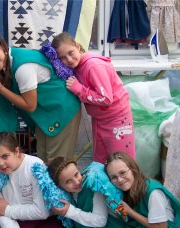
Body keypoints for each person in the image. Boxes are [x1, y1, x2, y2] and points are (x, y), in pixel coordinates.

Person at [0, 33, 81, 163]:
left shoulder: (23, 68)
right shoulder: (10, 61)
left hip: (62, 111)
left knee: (57, 164)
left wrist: (0, 88)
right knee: (42, 162)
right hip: (47, 115)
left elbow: (30, 105)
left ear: (1, 46)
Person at [52, 32, 135, 164]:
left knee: (122, 163)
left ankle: (131, 185)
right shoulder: (77, 67)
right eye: (62, 58)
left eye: (71, 52)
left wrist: (79, 89)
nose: (69, 59)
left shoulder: (93, 66)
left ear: (78, 47)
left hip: (117, 119)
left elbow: (106, 99)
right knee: (100, 162)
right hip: (100, 119)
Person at [0, 132, 67, 228]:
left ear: (17, 151)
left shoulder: (34, 166)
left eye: (5, 156)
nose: (1, 164)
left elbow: (42, 212)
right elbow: (0, 211)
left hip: (47, 222)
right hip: (19, 223)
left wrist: (8, 210)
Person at [105, 152, 180, 228]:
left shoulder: (153, 193)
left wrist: (130, 212)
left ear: (133, 169)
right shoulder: (125, 190)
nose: (119, 179)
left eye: (123, 172)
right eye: (114, 177)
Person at [48, 157, 131, 228]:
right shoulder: (65, 196)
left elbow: (101, 221)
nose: (76, 182)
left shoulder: (92, 185)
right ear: (59, 186)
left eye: (76, 174)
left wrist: (70, 211)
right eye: (68, 181)